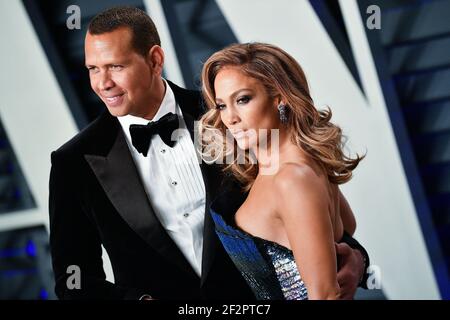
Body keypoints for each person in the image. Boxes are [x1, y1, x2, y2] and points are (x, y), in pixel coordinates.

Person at [49, 6, 369, 300]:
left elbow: (306, 202)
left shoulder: (231, 118)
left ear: (155, 59)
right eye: (93, 69)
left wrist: (355, 259)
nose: (103, 83)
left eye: (115, 66)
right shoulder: (72, 164)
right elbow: (73, 280)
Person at [199, 42, 367, 300]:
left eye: (242, 99)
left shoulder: (292, 178)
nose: (230, 117)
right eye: (222, 105)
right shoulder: (294, 164)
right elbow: (347, 228)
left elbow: (325, 295)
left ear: (280, 96)